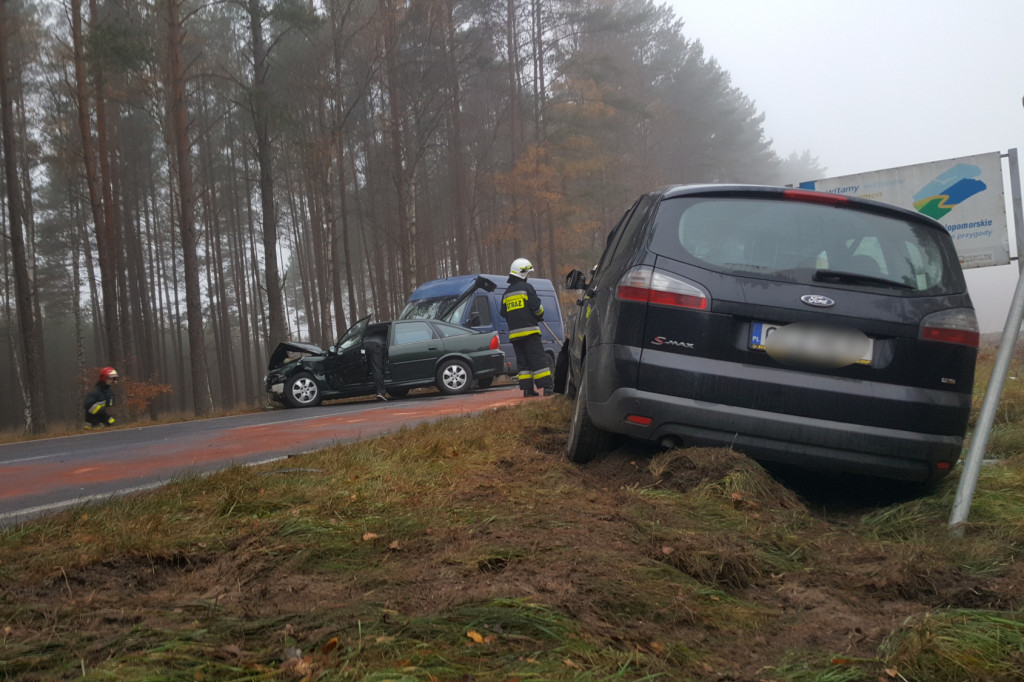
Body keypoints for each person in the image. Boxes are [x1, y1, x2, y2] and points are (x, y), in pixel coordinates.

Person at [500, 258, 554, 397]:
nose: (528, 276)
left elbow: (503, 313)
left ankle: (527, 390)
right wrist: (539, 315)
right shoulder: (527, 288)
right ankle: (547, 388)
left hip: (515, 336)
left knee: (523, 363)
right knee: (538, 359)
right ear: (522, 274)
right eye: (528, 273)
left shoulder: (506, 293)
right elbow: (537, 308)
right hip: (530, 332)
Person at [363, 332, 389, 401]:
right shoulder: (386, 335)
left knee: (365, 364)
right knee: (377, 369)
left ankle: (363, 381)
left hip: (365, 344)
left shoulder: (372, 333)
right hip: (376, 346)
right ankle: (381, 392)